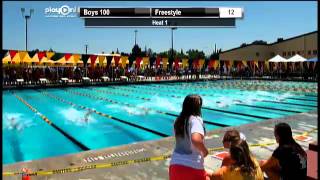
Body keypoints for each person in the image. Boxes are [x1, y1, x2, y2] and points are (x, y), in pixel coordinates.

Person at [169, 95, 209, 180]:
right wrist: (205, 151)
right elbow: (196, 139)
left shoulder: (178, 121)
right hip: (192, 167)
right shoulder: (195, 120)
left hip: (174, 166)